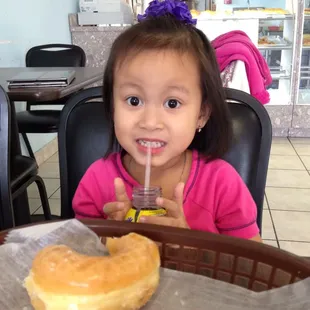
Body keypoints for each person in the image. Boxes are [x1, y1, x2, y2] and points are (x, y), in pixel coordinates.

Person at [72, 0, 262, 242]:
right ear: (111, 106)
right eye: (133, 101)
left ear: (202, 114)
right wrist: (106, 239)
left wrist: (189, 248)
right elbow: (77, 259)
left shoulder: (222, 185)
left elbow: (254, 268)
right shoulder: (96, 182)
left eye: (172, 103)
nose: (150, 122)